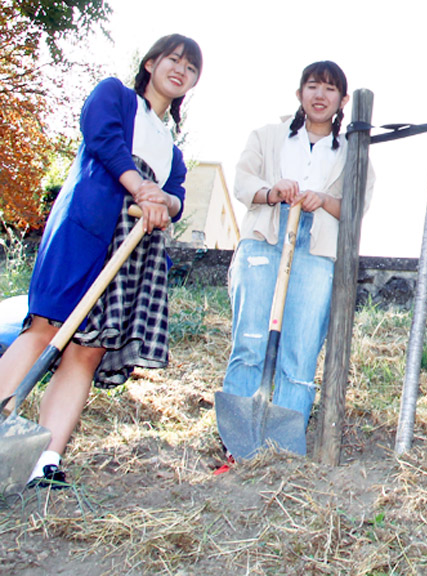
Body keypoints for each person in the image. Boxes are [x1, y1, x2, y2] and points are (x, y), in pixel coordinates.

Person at [0, 34, 202, 487]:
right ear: (150, 63)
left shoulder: (172, 150)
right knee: (46, 328)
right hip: (88, 230)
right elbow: (101, 137)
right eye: (173, 59)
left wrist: (163, 202)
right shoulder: (115, 96)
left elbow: (179, 199)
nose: (180, 70)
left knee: (87, 350)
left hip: (130, 253)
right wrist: (141, 188)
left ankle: (44, 460)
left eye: (190, 69)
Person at [221, 61, 374, 431]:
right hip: (265, 241)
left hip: (317, 249)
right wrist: (273, 192)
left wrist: (322, 199)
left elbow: (356, 207)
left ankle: (282, 442)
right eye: (312, 86)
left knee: (301, 349)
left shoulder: (353, 152)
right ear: (299, 94)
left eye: (330, 88)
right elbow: (243, 182)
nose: (320, 95)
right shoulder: (267, 136)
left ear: (343, 99)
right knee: (250, 342)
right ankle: (237, 438)